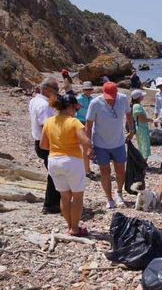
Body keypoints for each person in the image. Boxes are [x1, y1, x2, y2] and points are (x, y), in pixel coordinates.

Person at [40, 94, 92, 237]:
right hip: (72, 161)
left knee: (64, 196)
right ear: (70, 107)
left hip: (54, 161)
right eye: (75, 108)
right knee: (77, 196)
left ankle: (70, 226)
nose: (76, 111)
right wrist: (90, 147)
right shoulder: (74, 122)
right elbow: (85, 141)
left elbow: (43, 145)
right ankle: (75, 229)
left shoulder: (49, 122)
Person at [85, 82, 135, 209]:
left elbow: (129, 113)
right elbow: (89, 124)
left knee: (120, 171)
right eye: (108, 97)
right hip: (101, 143)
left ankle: (119, 193)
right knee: (105, 172)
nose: (111, 99)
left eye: (113, 96)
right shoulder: (95, 103)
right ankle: (109, 198)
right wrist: (88, 145)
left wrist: (132, 130)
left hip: (118, 142)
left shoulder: (123, 99)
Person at [28, 77, 61, 214]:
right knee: (55, 174)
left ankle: (53, 202)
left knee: (53, 172)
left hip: (40, 142)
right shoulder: (44, 105)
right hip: (47, 143)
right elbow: (47, 126)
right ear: (47, 89)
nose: (57, 93)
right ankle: (50, 204)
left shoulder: (34, 100)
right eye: (55, 89)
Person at [76, 81, 95, 179]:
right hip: (80, 124)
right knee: (85, 147)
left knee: (86, 147)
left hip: (89, 124)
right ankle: (86, 170)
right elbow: (74, 113)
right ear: (83, 90)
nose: (88, 91)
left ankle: (86, 168)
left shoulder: (93, 100)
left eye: (90, 89)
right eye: (86, 89)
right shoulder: (78, 99)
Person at [131, 89, 152, 160]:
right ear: (139, 98)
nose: (143, 97)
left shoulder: (135, 105)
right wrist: (152, 120)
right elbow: (142, 120)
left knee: (141, 146)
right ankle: (143, 164)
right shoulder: (137, 106)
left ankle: (142, 164)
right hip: (141, 128)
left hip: (139, 128)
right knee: (144, 146)